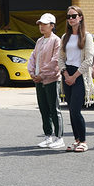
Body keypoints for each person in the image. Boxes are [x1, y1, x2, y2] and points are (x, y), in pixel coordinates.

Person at [58, 5, 94, 152]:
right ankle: (76, 140)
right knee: (70, 110)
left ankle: (84, 141)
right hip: (67, 74)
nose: (71, 19)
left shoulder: (86, 37)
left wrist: (74, 76)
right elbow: (60, 58)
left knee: (75, 110)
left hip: (79, 75)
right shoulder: (64, 37)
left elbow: (89, 60)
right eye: (69, 17)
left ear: (80, 18)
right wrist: (66, 74)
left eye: (74, 16)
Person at [28, 13, 65, 149]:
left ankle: (59, 137)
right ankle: (48, 136)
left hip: (51, 79)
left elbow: (55, 60)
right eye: (40, 24)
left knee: (54, 108)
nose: (41, 27)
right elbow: (33, 58)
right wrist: (32, 72)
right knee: (43, 108)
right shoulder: (39, 41)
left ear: (52, 26)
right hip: (39, 79)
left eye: (44, 24)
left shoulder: (56, 41)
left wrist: (41, 74)